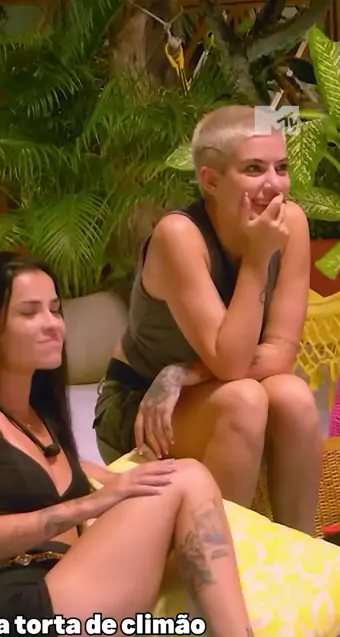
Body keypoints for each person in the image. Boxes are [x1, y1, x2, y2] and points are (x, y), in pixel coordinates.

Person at [0, 250, 340, 637]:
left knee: (228, 629)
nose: (53, 324)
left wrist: (136, 472)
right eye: (30, 312)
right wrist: (89, 505)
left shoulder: (43, 428)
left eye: (56, 310)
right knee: (186, 478)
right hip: (23, 623)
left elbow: (123, 486)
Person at [94, 104, 320, 535]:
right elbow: (232, 365)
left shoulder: (291, 222)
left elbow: (280, 353)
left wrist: (185, 372)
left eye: (281, 167)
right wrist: (257, 258)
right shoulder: (179, 236)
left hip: (195, 383)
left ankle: (300, 550)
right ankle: (221, 561)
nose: (273, 184)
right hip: (144, 403)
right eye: (253, 169)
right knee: (244, 400)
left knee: (293, 396)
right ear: (210, 181)